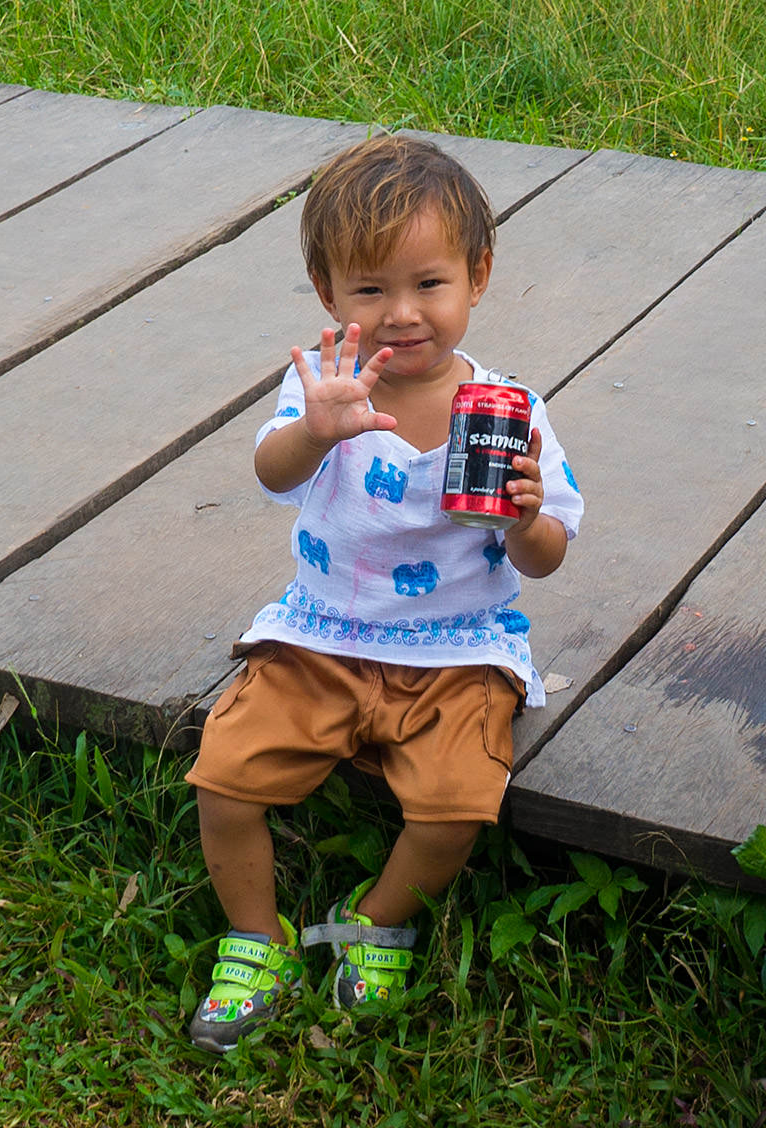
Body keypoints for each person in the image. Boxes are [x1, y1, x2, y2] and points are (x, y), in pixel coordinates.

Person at [185, 135, 583, 1053]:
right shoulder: (323, 386)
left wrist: (525, 516)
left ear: (477, 277)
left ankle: (379, 917)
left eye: (429, 285)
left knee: (458, 804)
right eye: (370, 291)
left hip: (455, 649)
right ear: (329, 295)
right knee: (224, 775)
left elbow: (548, 554)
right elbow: (270, 473)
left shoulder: (509, 408)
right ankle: (256, 934)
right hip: (321, 635)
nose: (402, 315)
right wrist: (316, 431)